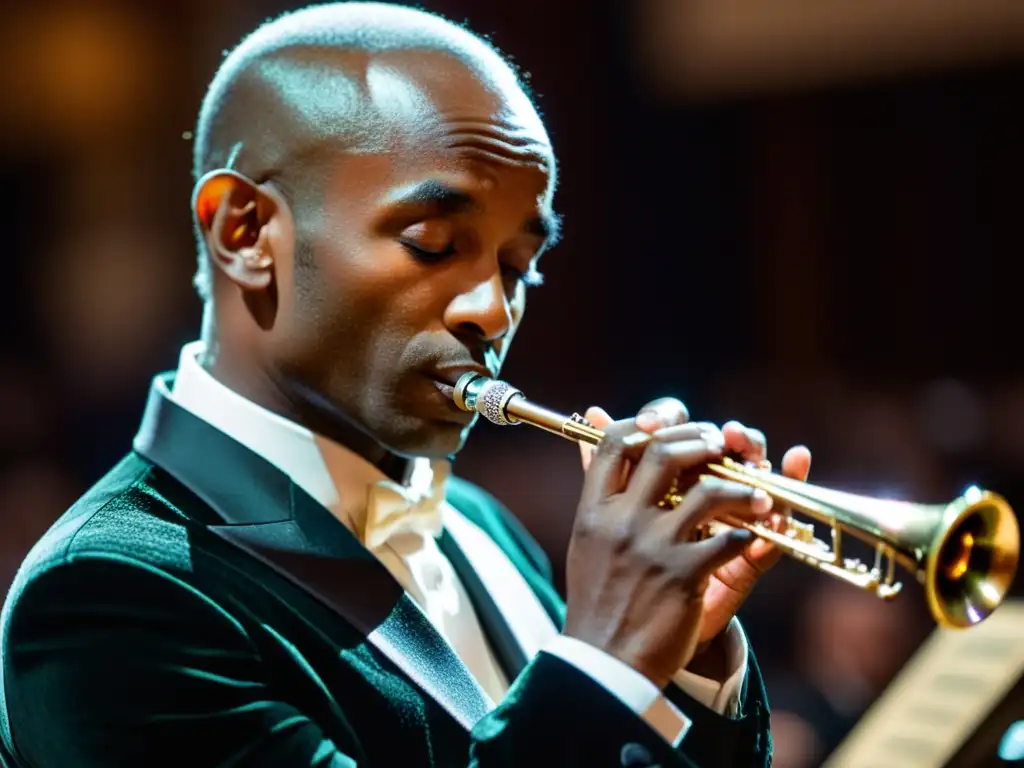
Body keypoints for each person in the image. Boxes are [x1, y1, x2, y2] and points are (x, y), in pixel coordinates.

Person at [0, 4, 811, 766]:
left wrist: (686, 664)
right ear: (244, 233)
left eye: (518, 266)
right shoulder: (106, 595)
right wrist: (602, 664)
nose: (493, 312)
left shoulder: (478, 523)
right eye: (431, 242)